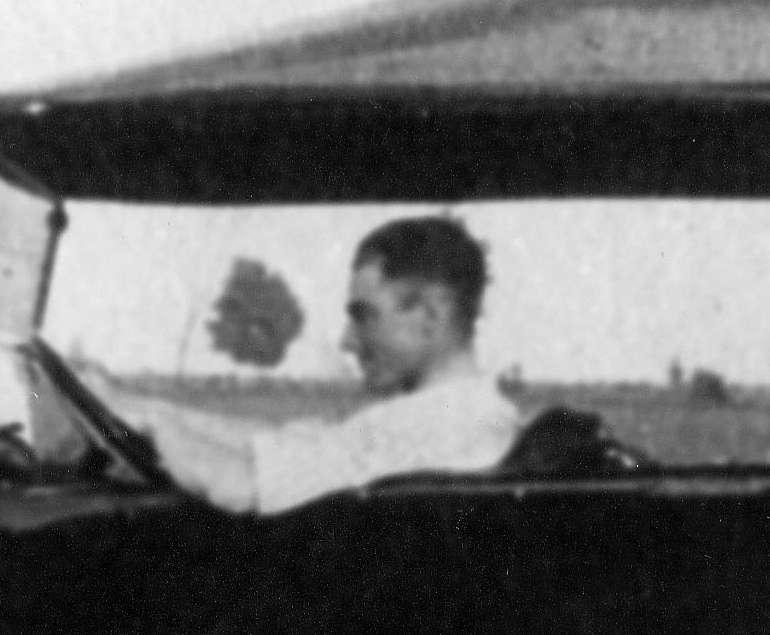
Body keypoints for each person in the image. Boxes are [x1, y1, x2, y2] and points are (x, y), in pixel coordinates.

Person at [88, 214, 519, 515]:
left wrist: (151, 425)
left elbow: (239, 485)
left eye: (364, 316)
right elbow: (275, 445)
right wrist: (139, 406)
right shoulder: (456, 415)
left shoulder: (434, 426)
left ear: (429, 316)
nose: (346, 341)